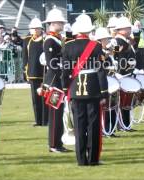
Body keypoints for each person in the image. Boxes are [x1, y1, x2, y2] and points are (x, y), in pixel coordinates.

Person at [61, 11, 108, 166]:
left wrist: (65, 89)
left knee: (79, 126)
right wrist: (104, 93)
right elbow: (101, 71)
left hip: (75, 90)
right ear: (88, 31)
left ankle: (81, 160)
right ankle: (93, 158)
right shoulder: (95, 46)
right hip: (93, 90)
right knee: (93, 125)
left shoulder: (68, 47)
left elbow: (65, 72)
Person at [42, 6, 69, 153]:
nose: (63, 25)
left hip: (58, 81)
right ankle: (53, 144)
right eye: (60, 22)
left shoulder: (58, 40)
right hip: (54, 82)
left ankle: (58, 142)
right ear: (53, 23)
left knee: (59, 114)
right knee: (54, 114)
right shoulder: (50, 41)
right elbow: (53, 63)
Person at [22, 17, 48, 126]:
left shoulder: (45, 40)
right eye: (32, 29)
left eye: (36, 28)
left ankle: (45, 120)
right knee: (35, 99)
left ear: (40, 29)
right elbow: (25, 57)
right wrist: (25, 72)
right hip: (32, 74)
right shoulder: (27, 40)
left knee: (44, 98)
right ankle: (38, 120)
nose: (34, 30)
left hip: (44, 73)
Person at [113, 16, 136, 131]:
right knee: (122, 101)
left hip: (127, 74)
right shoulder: (117, 41)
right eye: (128, 28)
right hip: (122, 74)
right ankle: (122, 124)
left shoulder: (126, 40)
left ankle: (126, 124)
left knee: (127, 101)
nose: (130, 30)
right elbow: (115, 56)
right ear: (121, 29)